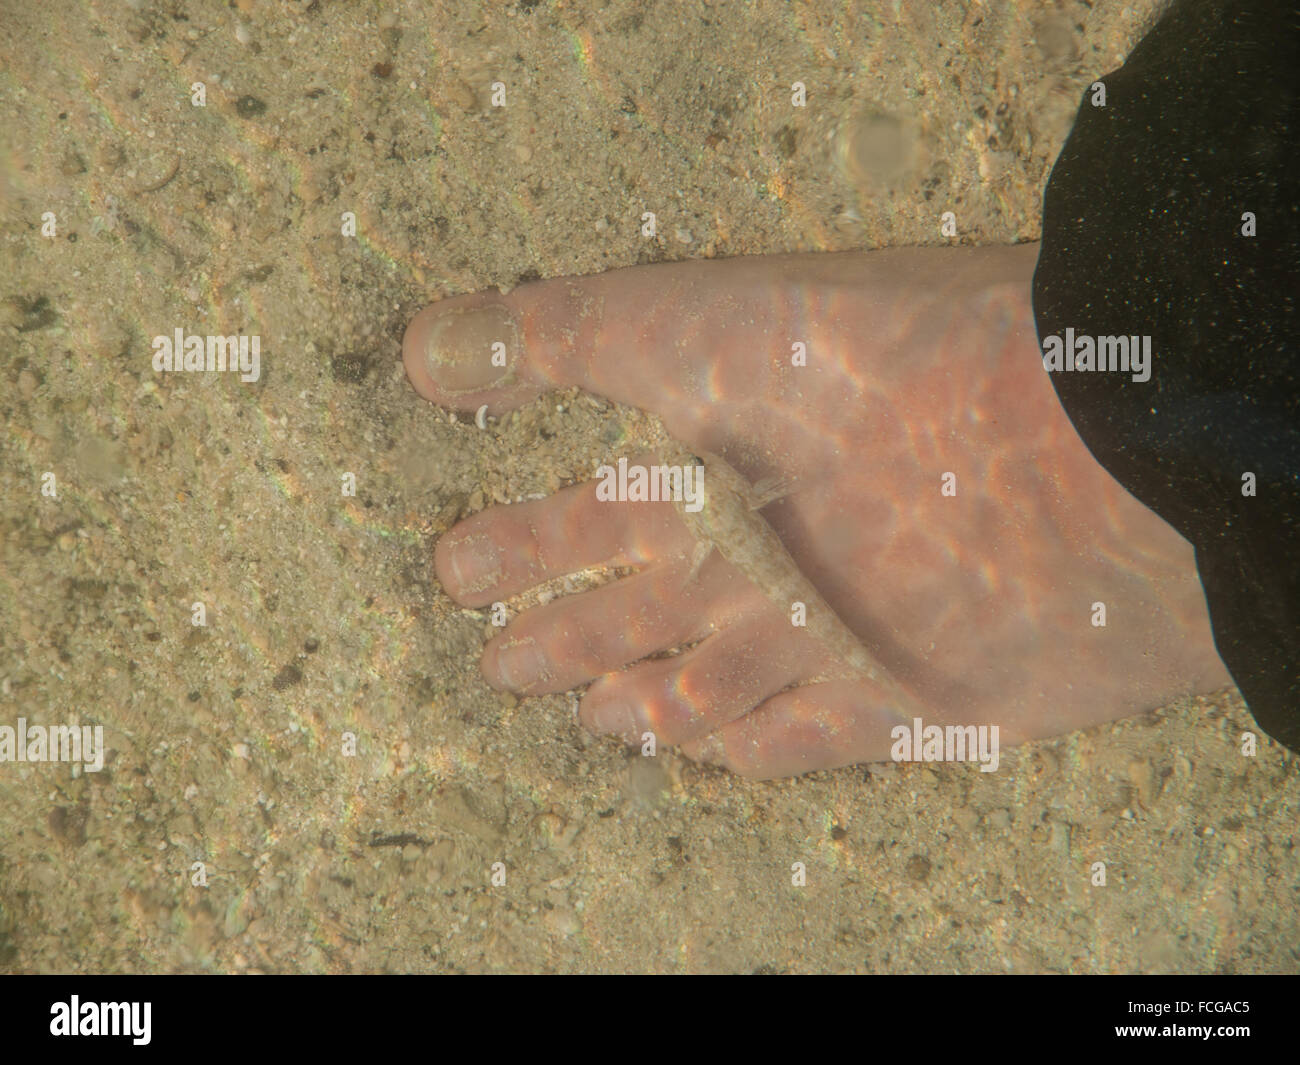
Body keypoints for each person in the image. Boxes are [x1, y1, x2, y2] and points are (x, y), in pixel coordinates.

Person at [400, 0, 1297, 777]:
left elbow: (736, 506)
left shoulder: (732, 501)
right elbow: (742, 496)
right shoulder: (738, 492)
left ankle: (1158, 461)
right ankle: (1190, 457)